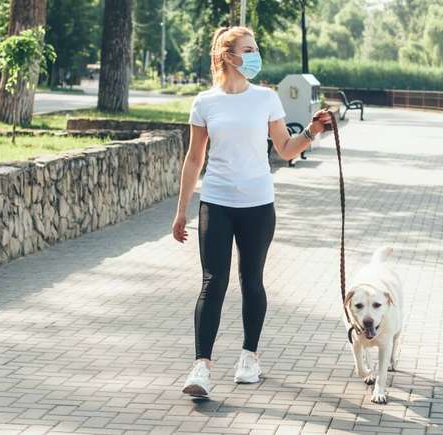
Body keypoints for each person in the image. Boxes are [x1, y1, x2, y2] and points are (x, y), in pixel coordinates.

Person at [173, 25, 332, 398]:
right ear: (229, 56)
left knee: (251, 280)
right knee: (213, 282)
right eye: (249, 48)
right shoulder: (205, 102)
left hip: (258, 204)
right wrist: (182, 210)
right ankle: (202, 367)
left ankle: (249, 357)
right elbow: (195, 159)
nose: (255, 54)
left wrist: (311, 131)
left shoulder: (266, 99)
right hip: (216, 201)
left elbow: (285, 148)